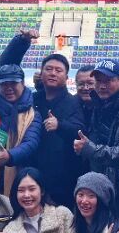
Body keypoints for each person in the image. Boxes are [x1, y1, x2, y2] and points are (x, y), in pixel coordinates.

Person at [73, 59, 119, 219]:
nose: (102, 86)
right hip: (100, 185)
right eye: (99, 81)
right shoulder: (99, 104)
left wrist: (89, 149)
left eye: (108, 81)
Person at [32, 53, 86, 210]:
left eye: (58, 70)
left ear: (66, 77)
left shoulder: (73, 102)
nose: (53, 73)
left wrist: (60, 126)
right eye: (48, 69)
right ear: (41, 73)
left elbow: (80, 130)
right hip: (34, 174)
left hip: (63, 180)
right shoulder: (33, 99)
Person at [0, 64, 42, 196]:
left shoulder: (32, 114)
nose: (9, 88)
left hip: (18, 175)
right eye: (4, 84)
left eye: (13, 83)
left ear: (23, 83)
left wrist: (10, 156)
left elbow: (31, 143)